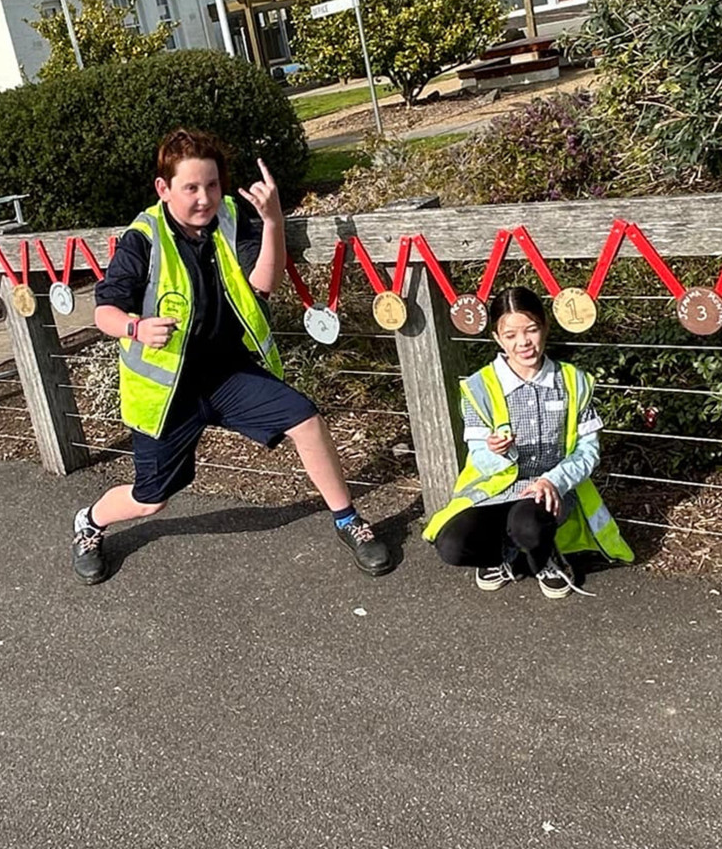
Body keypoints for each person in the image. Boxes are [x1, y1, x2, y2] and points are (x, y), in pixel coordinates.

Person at [69, 127, 392, 584]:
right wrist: (135, 327)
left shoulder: (232, 217)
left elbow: (263, 284)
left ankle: (347, 520)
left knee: (305, 417)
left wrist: (274, 221)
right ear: (163, 189)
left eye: (213, 185)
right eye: (191, 188)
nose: (205, 198)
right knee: (150, 499)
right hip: (167, 392)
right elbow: (103, 310)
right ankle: (90, 523)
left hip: (226, 374)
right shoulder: (142, 238)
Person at [422, 287, 633, 596]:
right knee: (452, 546)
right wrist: (497, 453)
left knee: (528, 525)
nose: (523, 343)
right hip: (494, 490)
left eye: (531, 330)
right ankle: (502, 555)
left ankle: (545, 558)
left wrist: (554, 481)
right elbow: (479, 454)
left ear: (545, 327)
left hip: (548, 491)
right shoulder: (478, 387)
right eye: (510, 336)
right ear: (497, 338)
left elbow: (588, 451)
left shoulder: (573, 381)